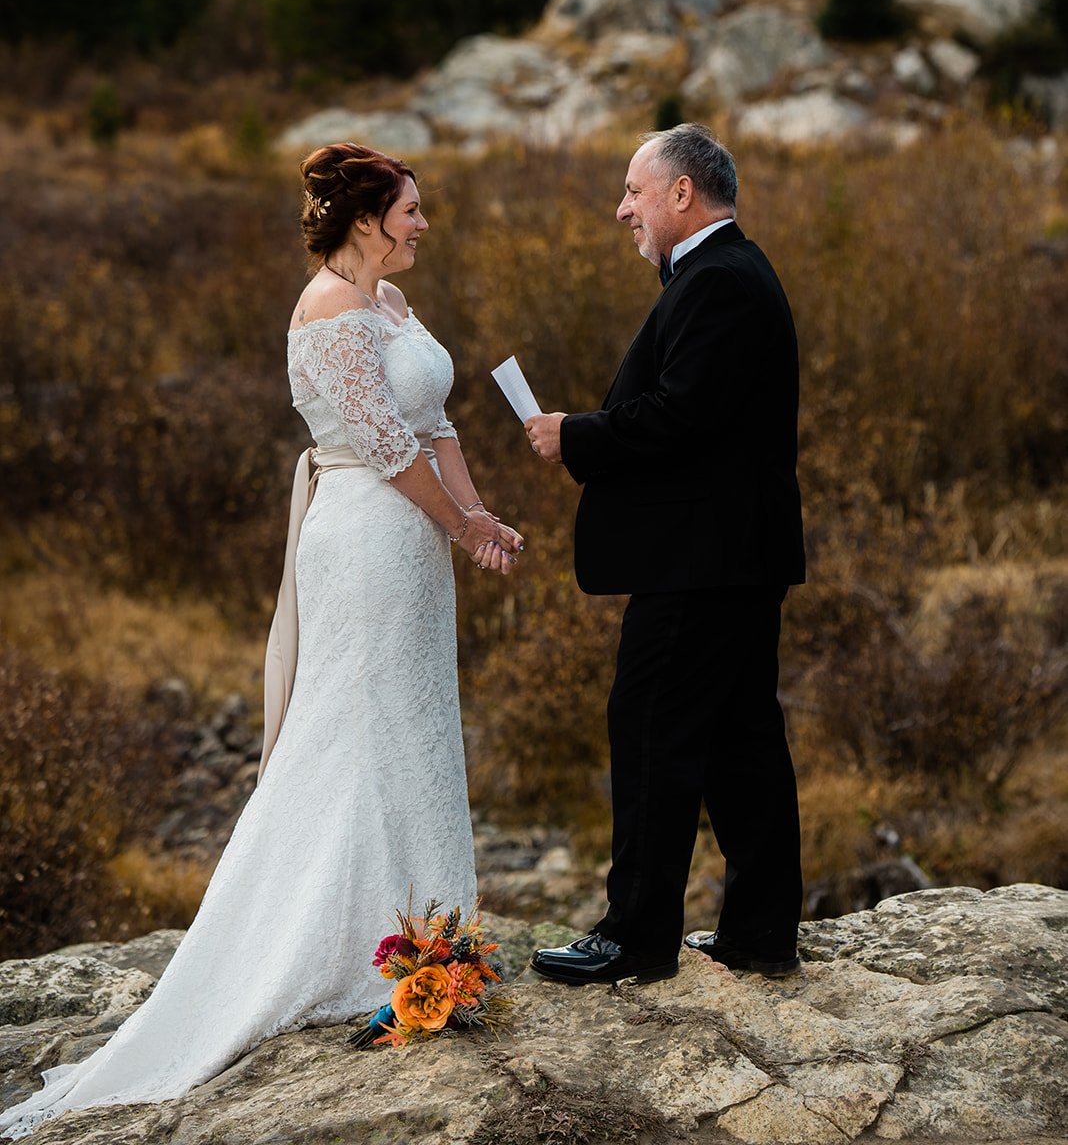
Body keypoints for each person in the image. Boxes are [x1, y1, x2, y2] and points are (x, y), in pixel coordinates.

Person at [0, 142, 522, 1139]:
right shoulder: (328, 306)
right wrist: (456, 526)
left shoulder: (393, 307)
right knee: (353, 728)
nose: (422, 224)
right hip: (367, 539)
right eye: (411, 210)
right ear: (368, 218)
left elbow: (439, 425)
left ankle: (427, 943)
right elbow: (383, 446)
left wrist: (480, 515)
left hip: (414, 544)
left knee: (413, 727)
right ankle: (334, 948)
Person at [524, 123, 804, 987]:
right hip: (731, 557)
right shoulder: (725, 274)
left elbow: (682, 418)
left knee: (651, 729)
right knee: (738, 737)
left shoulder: (718, 282)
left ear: (682, 193)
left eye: (634, 192)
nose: (622, 210)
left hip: (700, 563)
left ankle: (636, 936)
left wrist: (577, 434)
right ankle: (759, 933)